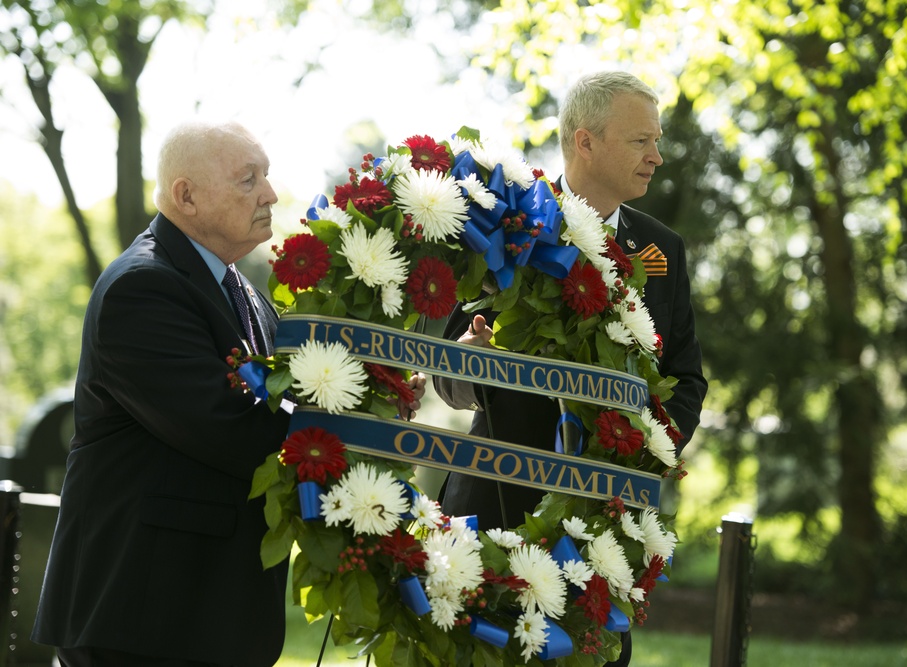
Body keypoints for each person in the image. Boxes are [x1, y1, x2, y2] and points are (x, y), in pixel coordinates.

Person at [32, 120, 425, 667]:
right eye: (248, 180)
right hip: (143, 617)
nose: (270, 193)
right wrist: (362, 422)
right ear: (185, 196)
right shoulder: (141, 289)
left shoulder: (245, 293)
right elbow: (232, 428)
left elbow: (284, 402)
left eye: (266, 176)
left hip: (212, 616)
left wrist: (376, 388)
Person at [433, 71, 708, 665]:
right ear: (585, 142)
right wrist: (473, 355)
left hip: (606, 521)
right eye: (641, 141)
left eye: (656, 141)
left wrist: (645, 448)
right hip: (495, 502)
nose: (657, 157)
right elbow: (446, 376)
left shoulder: (665, 250)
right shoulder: (506, 227)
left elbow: (686, 378)